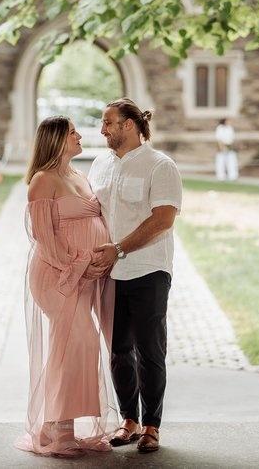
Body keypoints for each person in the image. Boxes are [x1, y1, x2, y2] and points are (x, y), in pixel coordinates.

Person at [15, 116, 117, 458]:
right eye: (72, 131)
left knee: (76, 345)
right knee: (78, 341)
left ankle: (56, 424)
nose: (79, 135)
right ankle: (59, 429)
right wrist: (78, 265)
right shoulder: (42, 181)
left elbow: (96, 221)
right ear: (57, 139)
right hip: (56, 276)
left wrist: (99, 259)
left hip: (84, 276)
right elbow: (44, 239)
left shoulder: (78, 176)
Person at [88, 98, 182, 454]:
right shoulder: (99, 165)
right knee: (118, 351)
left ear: (129, 125)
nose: (102, 130)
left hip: (148, 269)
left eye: (108, 123)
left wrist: (120, 248)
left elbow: (163, 220)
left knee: (149, 350)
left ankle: (151, 426)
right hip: (109, 274)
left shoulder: (161, 166)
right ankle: (128, 419)